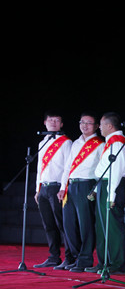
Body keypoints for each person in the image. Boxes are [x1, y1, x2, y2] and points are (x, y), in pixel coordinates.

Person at [86, 112, 125, 275]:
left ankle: (116, 264)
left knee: (113, 225)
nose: (99, 127)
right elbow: (105, 169)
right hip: (104, 184)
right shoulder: (110, 141)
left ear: (110, 126)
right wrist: (96, 189)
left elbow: (116, 170)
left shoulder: (117, 142)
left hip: (113, 185)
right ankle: (103, 262)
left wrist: (111, 195)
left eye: (101, 124)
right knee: (102, 226)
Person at [58, 112, 103, 272]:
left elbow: (102, 170)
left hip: (87, 185)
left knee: (86, 224)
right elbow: (67, 167)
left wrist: (96, 189)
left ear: (96, 126)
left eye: (89, 123)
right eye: (82, 122)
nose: (85, 125)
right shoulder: (75, 143)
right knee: (69, 224)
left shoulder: (99, 144)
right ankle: (76, 257)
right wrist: (63, 187)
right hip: (71, 186)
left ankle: (85, 260)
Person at [33, 111, 73, 269]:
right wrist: (37, 189)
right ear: (45, 122)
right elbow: (39, 168)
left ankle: (70, 257)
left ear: (61, 124)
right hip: (44, 187)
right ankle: (53, 256)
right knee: (48, 224)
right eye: (51, 120)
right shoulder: (42, 142)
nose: (54, 123)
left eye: (57, 120)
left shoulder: (66, 142)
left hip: (57, 187)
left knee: (62, 224)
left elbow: (68, 167)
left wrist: (63, 187)